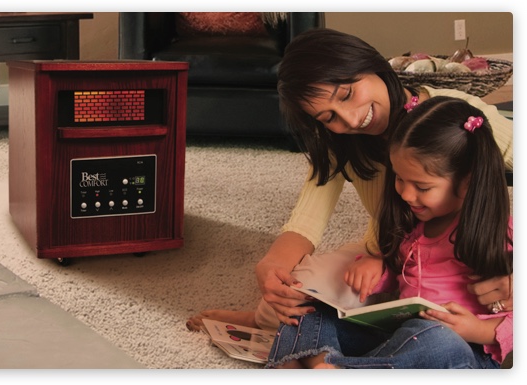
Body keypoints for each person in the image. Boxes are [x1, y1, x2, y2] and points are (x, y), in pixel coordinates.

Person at [185, 28, 513, 333]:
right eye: (328, 117)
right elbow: (307, 220)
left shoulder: (457, 120)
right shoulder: (339, 141)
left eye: (347, 94)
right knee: (294, 296)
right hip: (387, 255)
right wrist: (271, 267)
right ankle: (260, 321)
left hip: (464, 257)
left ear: (369, 64)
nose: (352, 119)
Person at [266, 95, 513, 369]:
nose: (406, 194)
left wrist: (479, 330)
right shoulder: (412, 223)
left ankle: (319, 366)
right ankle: (321, 363)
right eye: (399, 178)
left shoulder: (501, 234)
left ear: (467, 182)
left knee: (438, 338)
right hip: (400, 339)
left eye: (422, 187)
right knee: (310, 307)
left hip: (462, 351)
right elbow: (400, 275)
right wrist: (379, 268)